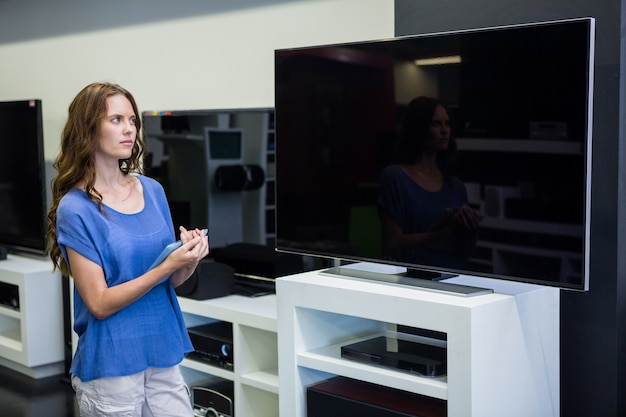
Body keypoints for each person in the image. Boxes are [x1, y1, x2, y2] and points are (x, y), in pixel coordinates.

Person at [47, 82, 209, 416]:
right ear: (88, 129)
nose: (129, 130)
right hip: (112, 363)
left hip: (163, 351)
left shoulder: (153, 190)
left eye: (133, 120)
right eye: (116, 120)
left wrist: (189, 258)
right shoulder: (75, 209)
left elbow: (172, 282)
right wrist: (166, 266)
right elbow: (100, 303)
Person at [377, 96, 480, 271]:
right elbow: (392, 243)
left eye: (447, 124)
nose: (444, 131)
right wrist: (441, 235)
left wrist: (471, 228)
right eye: (436, 124)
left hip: (453, 277)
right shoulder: (396, 178)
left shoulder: (455, 186)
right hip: (414, 279)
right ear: (418, 128)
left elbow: (466, 253)